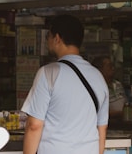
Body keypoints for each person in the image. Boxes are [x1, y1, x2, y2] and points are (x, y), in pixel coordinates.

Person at [21, 14, 109, 154]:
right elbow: (101, 129)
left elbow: (34, 126)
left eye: (48, 36)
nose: (47, 40)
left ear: (57, 38)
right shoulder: (98, 77)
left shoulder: (48, 73)